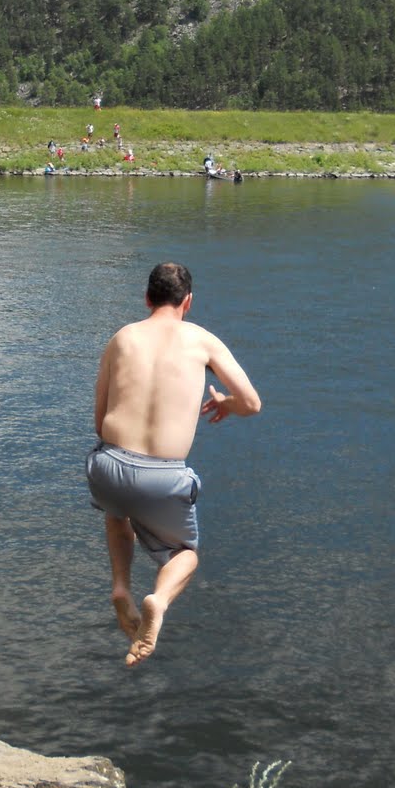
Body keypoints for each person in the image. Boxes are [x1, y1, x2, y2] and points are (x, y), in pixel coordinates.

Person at [86, 261, 261, 667]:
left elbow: (99, 421)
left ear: (147, 298)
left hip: (107, 464)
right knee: (186, 553)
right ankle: (157, 601)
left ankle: (120, 587)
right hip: (162, 476)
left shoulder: (122, 338)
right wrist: (225, 404)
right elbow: (251, 403)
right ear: (189, 303)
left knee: (117, 513)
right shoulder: (203, 341)